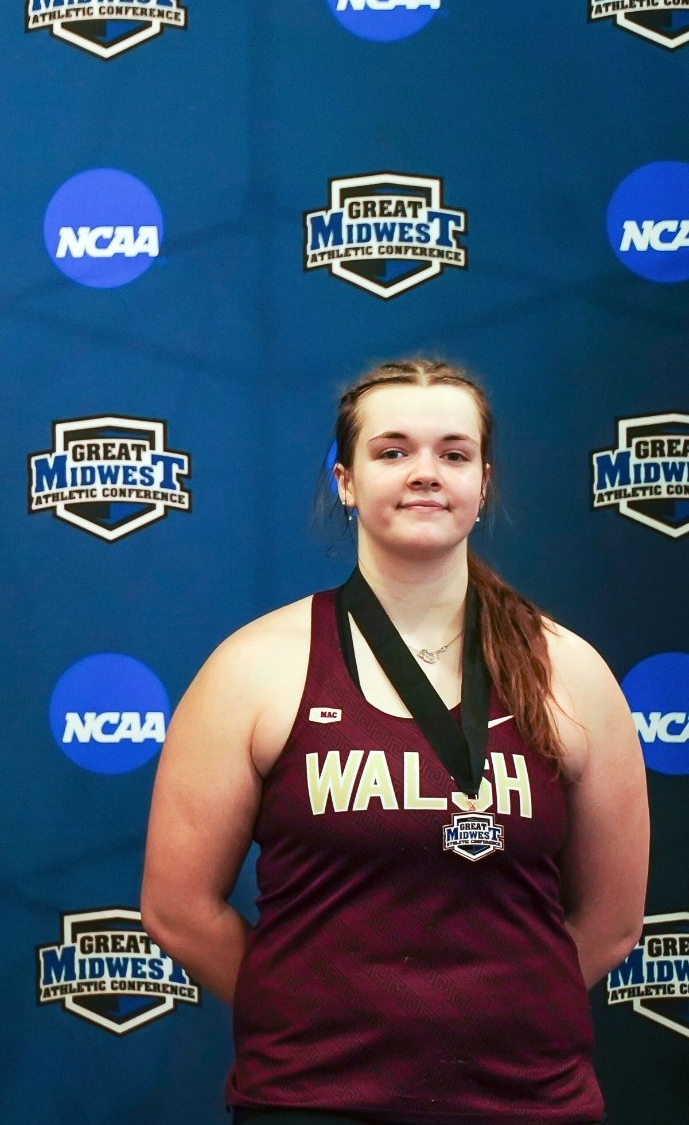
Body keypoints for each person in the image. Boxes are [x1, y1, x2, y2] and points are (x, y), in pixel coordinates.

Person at [141, 360, 648, 1125]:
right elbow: (178, 909)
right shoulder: (254, 667)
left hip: (528, 1099)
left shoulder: (570, 671)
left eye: (452, 453)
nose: (424, 473)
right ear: (345, 481)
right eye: (392, 451)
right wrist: (313, 1017)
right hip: (313, 1097)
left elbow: (611, 923)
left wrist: (498, 1016)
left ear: (484, 483)